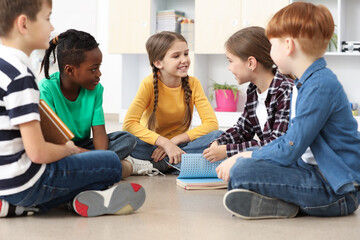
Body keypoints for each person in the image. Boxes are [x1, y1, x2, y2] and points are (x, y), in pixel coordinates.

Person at [0, 0, 145, 218]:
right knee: (111, 164)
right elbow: (38, 152)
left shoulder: (5, 66)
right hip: (25, 183)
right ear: (24, 24)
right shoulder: (22, 76)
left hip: (5, 180)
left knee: (118, 144)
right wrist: (69, 150)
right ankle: (72, 198)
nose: (51, 28)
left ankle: (17, 208)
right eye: (47, 18)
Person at [217, 2, 360, 219]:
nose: (270, 52)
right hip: (312, 172)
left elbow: (290, 148)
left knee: (241, 170)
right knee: (244, 169)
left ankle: (279, 201)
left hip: (337, 190)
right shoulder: (304, 83)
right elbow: (289, 143)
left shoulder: (319, 85)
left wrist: (244, 155)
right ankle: (280, 203)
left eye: (271, 45)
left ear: (288, 45)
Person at [39, 29, 143, 178]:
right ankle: (107, 167)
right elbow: (53, 140)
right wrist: (100, 158)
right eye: (93, 69)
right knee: (52, 158)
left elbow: (99, 131)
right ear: (70, 70)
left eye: (99, 67)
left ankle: (95, 166)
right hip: (60, 148)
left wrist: (100, 156)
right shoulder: (47, 89)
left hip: (83, 146)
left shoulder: (95, 89)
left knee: (127, 139)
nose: (99, 73)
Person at [123, 31, 222, 173]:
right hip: (151, 146)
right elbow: (129, 124)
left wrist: (173, 142)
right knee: (126, 141)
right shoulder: (148, 83)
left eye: (186, 54)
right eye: (176, 56)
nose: (184, 60)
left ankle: (155, 166)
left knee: (218, 136)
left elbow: (212, 124)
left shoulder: (193, 83)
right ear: (158, 63)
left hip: (181, 145)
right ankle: (178, 164)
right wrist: (164, 143)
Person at [203, 27, 294, 163]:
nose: (229, 68)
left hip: (283, 160)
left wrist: (227, 151)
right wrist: (219, 143)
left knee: (241, 164)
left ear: (251, 63)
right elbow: (242, 129)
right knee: (215, 136)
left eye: (230, 61)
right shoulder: (253, 90)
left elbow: (276, 144)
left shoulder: (285, 90)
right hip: (267, 157)